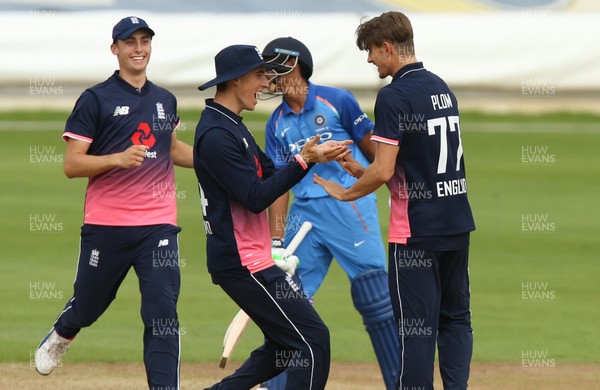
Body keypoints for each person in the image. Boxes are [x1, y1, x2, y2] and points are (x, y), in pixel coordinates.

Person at [314, 11, 476, 390]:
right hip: (456, 224)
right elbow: (415, 168)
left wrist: (345, 191)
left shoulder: (393, 95)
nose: (370, 60)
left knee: (416, 331)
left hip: (415, 233)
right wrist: (360, 169)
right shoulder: (441, 87)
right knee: (455, 320)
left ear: (387, 47)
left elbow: (386, 171)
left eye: (371, 51)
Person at [34, 16, 193, 389]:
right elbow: (72, 164)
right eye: (130, 42)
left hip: (158, 227)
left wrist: (224, 160)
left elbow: (170, 149)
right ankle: (64, 331)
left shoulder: (164, 99)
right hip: (107, 226)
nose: (139, 48)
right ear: (115, 49)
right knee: (90, 304)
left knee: (162, 312)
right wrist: (116, 159)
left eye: (145, 41)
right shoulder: (95, 99)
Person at [194, 44, 352, 390]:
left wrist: (312, 154)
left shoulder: (231, 126)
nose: (267, 83)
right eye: (259, 75)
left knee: (284, 345)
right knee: (312, 341)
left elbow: (270, 173)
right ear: (235, 81)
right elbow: (255, 197)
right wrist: (304, 162)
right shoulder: (216, 136)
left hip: (252, 259)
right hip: (240, 263)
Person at [258, 37, 399, 390]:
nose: (268, 76)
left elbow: (377, 153)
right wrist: (276, 240)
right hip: (304, 217)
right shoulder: (275, 123)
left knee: (375, 299)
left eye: (273, 67)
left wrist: (380, 184)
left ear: (294, 66)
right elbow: (278, 185)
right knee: (287, 307)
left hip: (350, 206)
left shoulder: (337, 100)